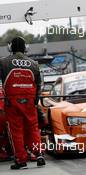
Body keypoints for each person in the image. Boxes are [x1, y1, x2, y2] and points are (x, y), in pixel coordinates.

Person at [0, 37, 45, 169]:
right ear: (26, 48)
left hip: (12, 102)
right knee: (33, 128)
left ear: (10, 48)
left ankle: (21, 160)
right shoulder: (34, 63)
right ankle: (39, 153)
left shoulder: (3, 63)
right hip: (30, 101)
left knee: (16, 131)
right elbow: (39, 85)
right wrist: (36, 101)